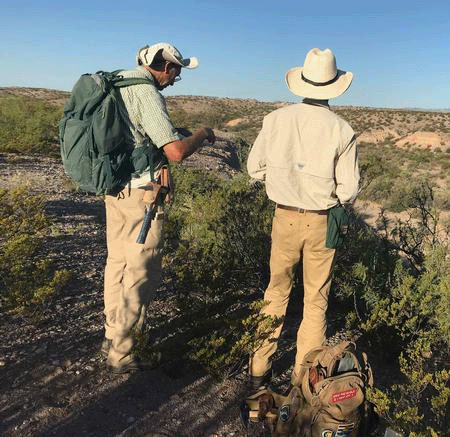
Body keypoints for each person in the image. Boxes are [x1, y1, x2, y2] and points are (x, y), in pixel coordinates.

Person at [246, 48, 359, 389]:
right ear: (334, 86)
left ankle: (258, 373)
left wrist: (284, 181)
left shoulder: (275, 120)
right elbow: (349, 189)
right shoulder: (342, 130)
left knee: (276, 293)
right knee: (316, 301)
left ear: (303, 83)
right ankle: (302, 382)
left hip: (284, 217)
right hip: (322, 221)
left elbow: (254, 168)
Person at [102, 42, 216, 374]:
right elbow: (177, 153)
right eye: (176, 73)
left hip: (114, 188)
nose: (175, 80)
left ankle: (113, 335)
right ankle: (124, 353)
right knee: (140, 272)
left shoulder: (118, 83)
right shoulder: (147, 92)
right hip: (142, 197)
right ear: (165, 67)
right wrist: (200, 135)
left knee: (117, 264)